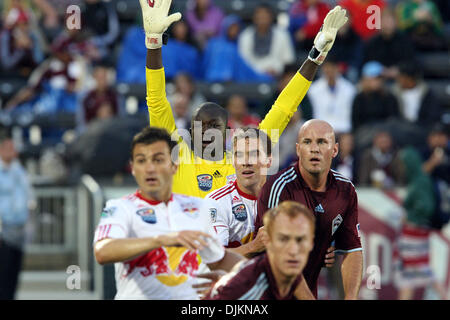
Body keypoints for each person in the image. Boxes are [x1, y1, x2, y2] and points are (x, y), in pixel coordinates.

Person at [139, 0, 349, 199]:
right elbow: (156, 101)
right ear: (191, 132)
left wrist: (315, 56)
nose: (207, 132)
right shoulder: (176, 156)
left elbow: (284, 108)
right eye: (200, 126)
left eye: (214, 126)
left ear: (226, 131)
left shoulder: (243, 161)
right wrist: (154, 44)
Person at [93, 126, 244, 300]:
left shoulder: (200, 208)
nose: (150, 168)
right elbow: (102, 252)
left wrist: (259, 270)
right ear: (133, 168)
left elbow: (219, 259)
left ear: (174, 165)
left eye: (158, 160)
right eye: (141, 161)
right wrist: (161, 239)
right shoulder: (120, 208)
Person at [254, 119, 363, 299]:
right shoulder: (279, 187)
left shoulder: (346, 190)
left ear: (335, 150)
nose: (314, 149)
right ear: (298, 150)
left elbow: (352, 250)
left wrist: (350, 297)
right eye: (307, 142)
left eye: (321, 142)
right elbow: (276, 256)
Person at [204, 201, 315, 300]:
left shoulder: (289, 270)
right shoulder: (245, 288)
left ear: (311, 243)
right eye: (283, 239)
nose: (293, 250)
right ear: (267, 240)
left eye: (301, 240)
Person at [394, 147, 447, 300]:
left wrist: (410, 217)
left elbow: (426, 206)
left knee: (417, 268)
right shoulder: (418, 177)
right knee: (410, 273)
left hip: (414, 233)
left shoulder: (419, 180)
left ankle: (444, 296)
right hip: (415, 232)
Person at [0, 127, 34, 300]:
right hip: (2, 232)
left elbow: (28, 196)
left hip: (18, 230)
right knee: (2, 276)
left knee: (13, 275)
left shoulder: (19, 171)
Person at [238, 3, 295, 77]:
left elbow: (288, 60)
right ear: (254, 18)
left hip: (276, 76)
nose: (262, 19)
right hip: (251, 77)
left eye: (265, 16)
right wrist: (258, 72)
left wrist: (276, 70)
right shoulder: (245, 35)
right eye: (260, 16)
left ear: (271, 17)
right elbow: (243, 62)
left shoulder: (282, 34)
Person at [307, 55, 356, 134]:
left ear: (338, 68)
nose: (329, 70)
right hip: (321, 131)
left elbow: (348, 117)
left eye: (332, 67)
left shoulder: (349, 90)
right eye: (327, 67)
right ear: (322, 69)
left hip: (343, 131)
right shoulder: (313, 90)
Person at [351, 61, 400, 132]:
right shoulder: (359, 98)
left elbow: (393, 120)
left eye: (380, 78)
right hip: (365, 133)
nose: (377, 81)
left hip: (386, 133)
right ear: (365, 79)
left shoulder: (390, 97)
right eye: (374, 78)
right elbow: (356, 123)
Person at [392, 60, 443, 128]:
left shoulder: (426, 92)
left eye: (401, 77)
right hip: (400, 128)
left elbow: (433, 115)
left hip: (422, 128)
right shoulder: (393, 92)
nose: (398, 80)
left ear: (409, 78)